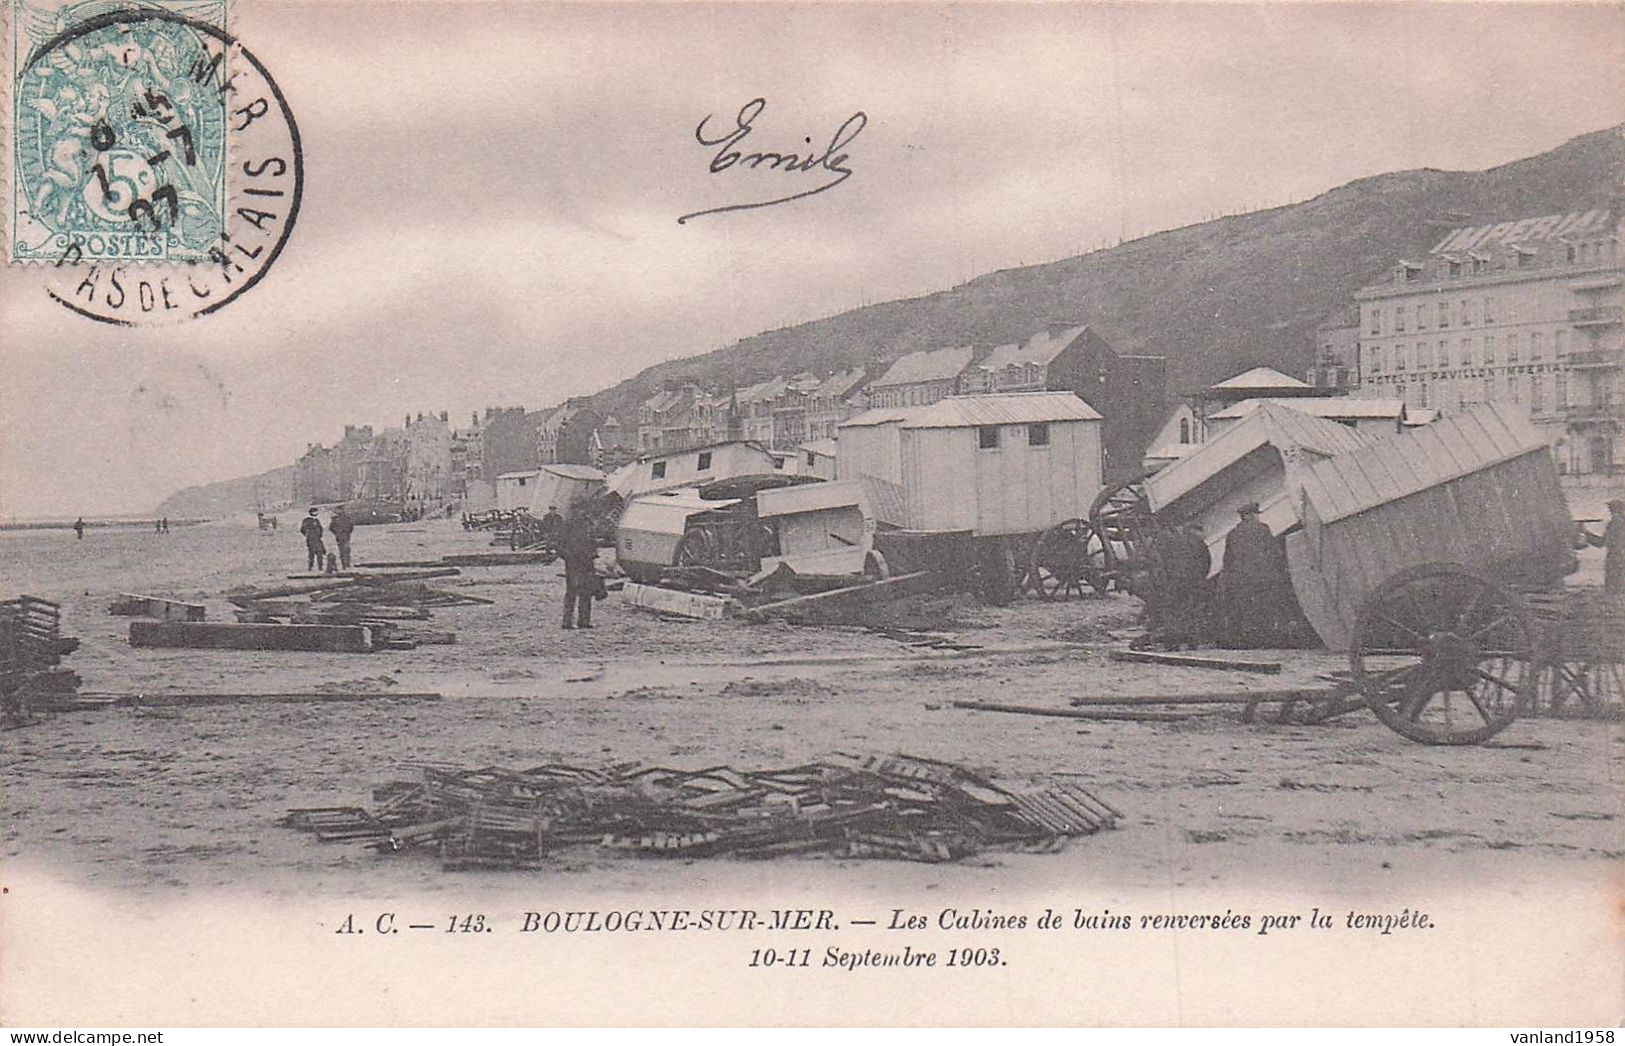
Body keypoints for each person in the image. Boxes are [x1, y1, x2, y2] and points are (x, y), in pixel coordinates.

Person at [1217, 503, 1292, 648]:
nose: (1257, 517)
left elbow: (1228, 559)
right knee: (1264, 607)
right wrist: (1281, 569)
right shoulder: (1263, 530)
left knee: (1245, 608)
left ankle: (1247, 640)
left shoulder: (1232, 533)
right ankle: (1264, 639)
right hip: (1263, 577)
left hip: (1241, 579)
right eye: (1256, 514)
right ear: (1249, 515)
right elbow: (1274, 552)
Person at [559, 514, 599, 630]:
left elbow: (592, 544)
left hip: (585, 564)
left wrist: (592, 555)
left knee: (584, 593)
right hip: (575, 564)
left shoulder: (586, 525)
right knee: (574, 592)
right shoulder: (570, 526)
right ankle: (570, 622)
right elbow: (560, 546)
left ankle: (581, 621)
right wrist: (569, 557)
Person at [1585, 498, 1625, 595]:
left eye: (1611, 509)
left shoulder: (1615, 524)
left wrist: (1586, 534)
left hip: (1615, 558)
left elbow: (1601, 543)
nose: (1610, 512)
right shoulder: (1620, 522)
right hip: (1620, 557)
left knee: (1613, 589)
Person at [328, 506, 356, 570]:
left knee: (347, 550)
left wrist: (347, 532)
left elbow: (351, 526)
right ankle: (344, 565)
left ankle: (347, 564)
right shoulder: (334, 519)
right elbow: (331, 528)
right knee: (342, 551)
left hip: (346, 536)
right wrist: (337, 533)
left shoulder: (347, 518)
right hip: (340, 537)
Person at [299, 507, 326, 571]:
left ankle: (320, 567)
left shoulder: (317, 520)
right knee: (312, 553)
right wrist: (308, 535)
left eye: (316, 512)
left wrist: (320, 535)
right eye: (314, 512)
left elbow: (320, 529)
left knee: (320, 553)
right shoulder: (307, 520)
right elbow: (302, 529)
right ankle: (310, 566)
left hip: (318, 539)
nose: (315, 513)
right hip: (311, 539)